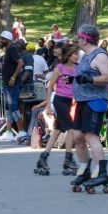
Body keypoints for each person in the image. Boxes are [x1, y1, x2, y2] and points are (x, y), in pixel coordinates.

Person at [69, 24, 108, 192]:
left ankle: (101, 172)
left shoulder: (99, 55)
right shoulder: (85, 56)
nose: (77, 40)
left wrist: (90, 80)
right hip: (82, 101)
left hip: (94, 101)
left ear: (86, 39)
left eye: (79, 38)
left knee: (90, 136)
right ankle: (85, 169)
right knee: (78, 137)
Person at [34, 43, 81, 175]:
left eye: (78, 54)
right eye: (75, 54)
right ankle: (68, 159)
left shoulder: (77, 68)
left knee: (56, 132)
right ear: (68, 55)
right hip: (59, 101)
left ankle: (43, 158)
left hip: (70, 101)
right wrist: (48, 105)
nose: (77, 56)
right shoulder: (59, 68)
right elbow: (50, 86)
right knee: (71, 129)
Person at [0, 31, 26, 140]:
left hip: (12, 84)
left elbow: (20, 63)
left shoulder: (12, 49)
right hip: (7, 83)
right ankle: (9, 131)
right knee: (8, 107)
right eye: (0, 38)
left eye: (2, 39)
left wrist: (13, 77)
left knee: (13, 106)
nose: (0, 41)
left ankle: (21, 131)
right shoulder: (8, 50)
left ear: (8, 40)